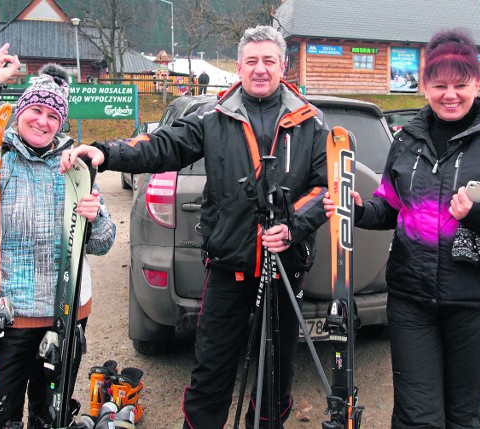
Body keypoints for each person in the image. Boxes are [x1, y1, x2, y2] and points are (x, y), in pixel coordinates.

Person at [60, 25, 329, 429]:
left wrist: (292, 226)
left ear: (282, 66)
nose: (260, 69)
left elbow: (326, 187)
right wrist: (103, 152)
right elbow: (159, 146)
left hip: (284, 267)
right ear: (238, 67)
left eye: (268, 61)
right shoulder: (213, 115)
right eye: (251, 61)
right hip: (227, 266)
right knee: (211, 372)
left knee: (276, 374)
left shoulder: (311, 121)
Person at [325, 28, 480, 428]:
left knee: (462, 416)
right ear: (425, 86)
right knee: (416, 415)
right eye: (440, 84)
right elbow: (390, 207)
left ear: (477, 85)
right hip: (412, 300)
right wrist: (361, 211)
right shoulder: (407, 141)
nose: (450, 94)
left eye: (461, 85)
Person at [0, 44, 116, 427]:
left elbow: (101, 242)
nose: (43, 121)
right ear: (20, 111)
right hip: (9, 316)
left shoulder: (75, 164)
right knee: (0, 414)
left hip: (66, 313)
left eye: (53, 115)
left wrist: (95, 216)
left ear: (61, 122)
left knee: (50, 416)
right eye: (35, 110)